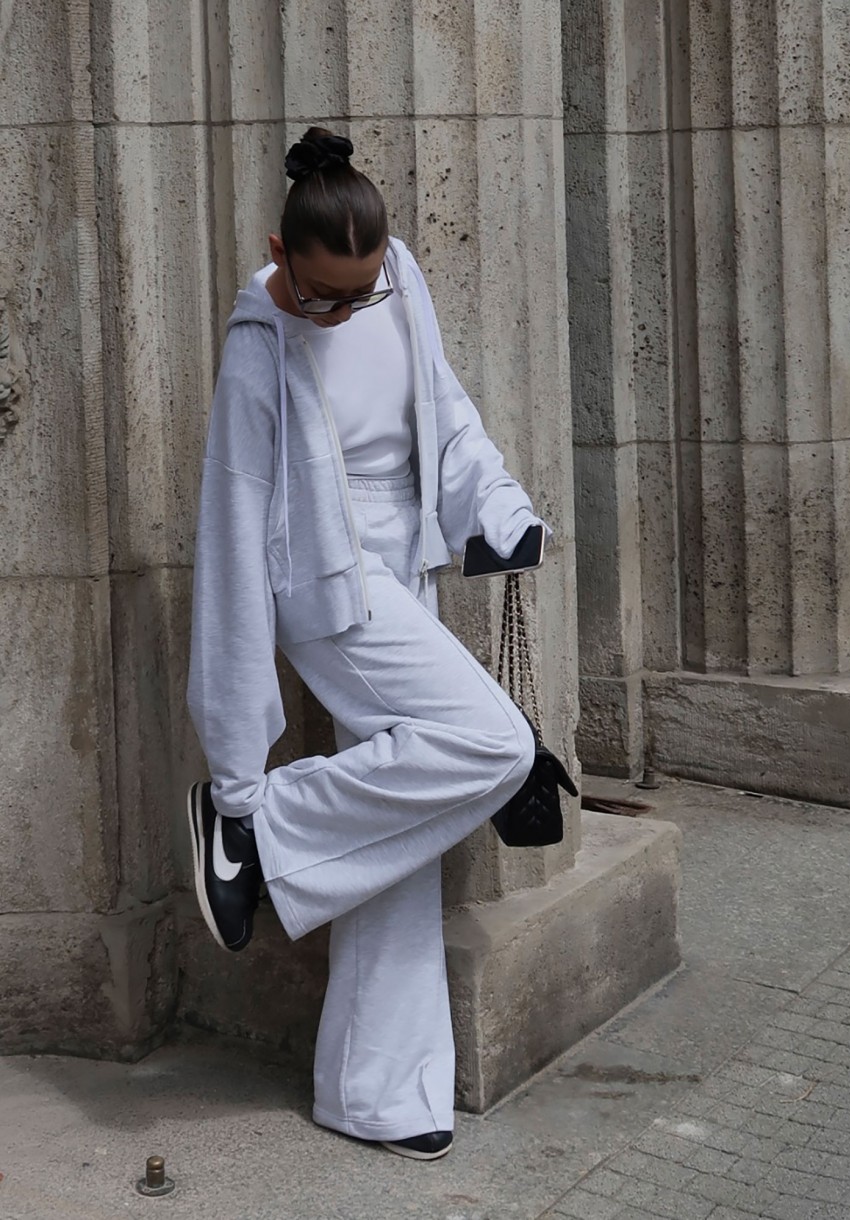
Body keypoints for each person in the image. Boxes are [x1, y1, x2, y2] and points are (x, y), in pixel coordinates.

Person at [185, 127, 551, 1161]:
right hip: (327, 584)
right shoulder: (259, 340)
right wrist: (238, 772)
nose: (344, 312)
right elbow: (231, 537)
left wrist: (498, 507)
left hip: (407, 565)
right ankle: (253, 827)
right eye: (324, 298)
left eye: (362, 291)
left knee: (396, 832)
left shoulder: (402, 280)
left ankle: (378, 1091)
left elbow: (444, 407)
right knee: (492, 742)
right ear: (280, 253)